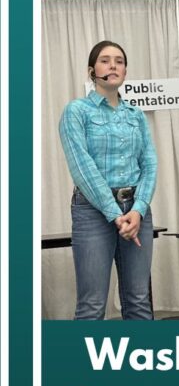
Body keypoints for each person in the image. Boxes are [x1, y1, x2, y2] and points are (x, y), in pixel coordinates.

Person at [59, 41, 158, 320]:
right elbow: (82, 167)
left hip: (137, 210)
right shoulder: (77, 111)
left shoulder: (135, 115)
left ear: (125, 71)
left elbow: (149, 163)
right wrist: (115, 214)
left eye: (119, 61)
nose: (113, 65)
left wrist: (138, 209)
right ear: (92, 71)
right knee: (92, 305)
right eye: (105, 60)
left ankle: (143, 362)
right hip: (93, 210)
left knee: (139, 300)